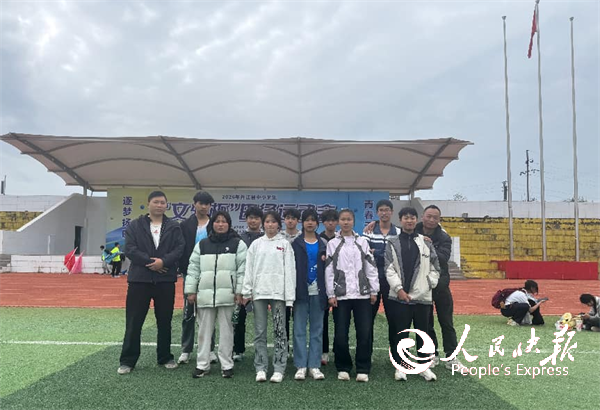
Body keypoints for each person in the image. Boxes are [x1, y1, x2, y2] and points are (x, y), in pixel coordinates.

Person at [117, 191, 185, 375]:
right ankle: (127, 361)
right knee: (134, 321)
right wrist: (151, 263)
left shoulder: (173, 226)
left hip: (165, 281)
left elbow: (179, 248)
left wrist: (163, 262)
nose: (159, 205)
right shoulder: (135, 225)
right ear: (148, 203)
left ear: (166, 205)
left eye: (163, 202)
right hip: (140, 280)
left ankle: (165, 357)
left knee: (165, 321)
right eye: (156, 202)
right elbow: (130, 249)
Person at [185, 211, 247, 378]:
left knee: (227, 331)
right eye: (217, 221)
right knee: (204, 332)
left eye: (224, 221)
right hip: (204, 295)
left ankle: (226, 365)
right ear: (212, 224)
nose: (220, 224)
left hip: (229, 295)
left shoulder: (238, 244)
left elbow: (243, 269)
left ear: (229, 224)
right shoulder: (202, 244)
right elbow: (193, 268)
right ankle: (202, 364)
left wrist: (239, 291)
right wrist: (191, 290)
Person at [385, 207, 440, 382]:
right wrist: (399, 290)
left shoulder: (426, 242)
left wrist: (428, 285)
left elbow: (436, 268)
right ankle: (401, 366)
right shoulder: (392, 242)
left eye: (412, 218)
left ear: (417, 220)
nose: (409, 221)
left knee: (423, 333)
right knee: (401, 333)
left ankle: (424, 367)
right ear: (400, 220)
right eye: (406, 218)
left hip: (422, 297)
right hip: (400, 297)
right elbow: (389, 268)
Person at [242, 211, 296, 383]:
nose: (270, 225)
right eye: (267, 222)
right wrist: (247, 291)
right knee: (260, 332)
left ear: (278, 225)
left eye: (273, 222)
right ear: (263, 224)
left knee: (280, 331)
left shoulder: (285, 244)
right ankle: (260, 367)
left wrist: (289, 297)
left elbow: (290, 271)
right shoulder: (256, 244)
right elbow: (249, 269)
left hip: (278, 294)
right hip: (259, 293)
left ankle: (279, 368)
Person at [325, 209, 379, 383]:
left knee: (364, 333)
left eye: (349, 219)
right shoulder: (332, 244)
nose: (346, 222)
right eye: (343, 219)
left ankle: (363, 368)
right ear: (338, 222)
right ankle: (343, 367)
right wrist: (331, 294)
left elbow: (371, 267)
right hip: (341, 296)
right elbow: (329, 271)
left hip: (362, 296)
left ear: (353, 221)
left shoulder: (362, 242)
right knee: (341, 334)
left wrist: (373, 290)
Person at [415, 205, 465, 372]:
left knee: (446, 322)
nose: (431, 220)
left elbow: (443, 258)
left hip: (441, 285)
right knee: (426, 323)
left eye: (435, 217)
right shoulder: (413, 231)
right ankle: (432, 354)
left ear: (439, 220)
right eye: (428, 216)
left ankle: (451, 357)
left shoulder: (444, 237)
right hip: (421, 286)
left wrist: (429, 247)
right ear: (422, 216)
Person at [177, 191, 216, 365]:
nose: (204, 206)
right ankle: (186, 350)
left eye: (207, 204)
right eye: (201, 203)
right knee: (189, 312)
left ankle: (210, 349)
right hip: (191, 273)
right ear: (194, 204)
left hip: (211, 273)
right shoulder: (185, 225)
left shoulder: (215, 224)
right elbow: (180, 247)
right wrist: (182, 268)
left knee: (209, 311)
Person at [291, 209, 327, 381]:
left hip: (318, 292)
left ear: (317, 224)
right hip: (300, 292)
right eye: (307, 220)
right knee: (299, 329)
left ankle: (314, 365)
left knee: (317, 329)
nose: (310, 223)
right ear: (302, 223)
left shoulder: (323, 244)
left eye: (313, 220)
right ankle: (300, 365)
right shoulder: (295, 244)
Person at [362, 199, 399, 354]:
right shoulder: (368, 232)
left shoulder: (398, 232)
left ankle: (396, 355)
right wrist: (380, 254)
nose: (384, 213)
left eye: (387, 210)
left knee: (394, 319)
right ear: (377, 213)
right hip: (372, 282)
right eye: (381, 210)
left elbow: (399, 255)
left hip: (392, 283)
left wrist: (375, 253)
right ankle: (366, 355)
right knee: (367, 320)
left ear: (392, 212)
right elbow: (364, 254)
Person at [234, 206, 265, 362]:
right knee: (239, 318)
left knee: (262, 320)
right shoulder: (239, 239)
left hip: (262, 284)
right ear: (246, 220)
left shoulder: (266, 238)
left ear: (261, 221)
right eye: (250, 218)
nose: (253, 221)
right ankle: (238, 350)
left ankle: (261, 351)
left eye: (256, 218)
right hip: (243, 283)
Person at [318, 209, 339, 365]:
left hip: (340, 283)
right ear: (323, 222)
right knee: (323, 319)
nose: (330, 223)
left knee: (340, 319)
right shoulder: (318, 239)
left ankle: (338, 350)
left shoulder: (342, 238)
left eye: (333, 220)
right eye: (327, 220)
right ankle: (323, 351)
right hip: (323, 283)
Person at [282, 208, 301, 352]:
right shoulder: (278, 237)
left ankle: (297, 348)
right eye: (287, 218)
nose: (290, 221)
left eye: (293, 218)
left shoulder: (302, 237)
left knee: (298, 318)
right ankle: (284, 347)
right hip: (282, 282)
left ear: (297, 221)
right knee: (283, 318)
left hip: (299, 281)